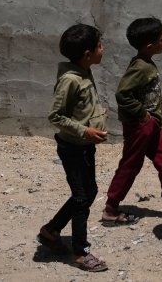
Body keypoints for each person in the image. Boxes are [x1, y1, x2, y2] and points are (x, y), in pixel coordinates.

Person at [37, 24, 111, 272]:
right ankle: (80, 252)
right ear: (88, 53)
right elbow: (55, 116)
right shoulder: (70, 79)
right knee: (82, 197)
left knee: (89, 192)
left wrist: (96, 116)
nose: (104, 49)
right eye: (100, 45)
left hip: (84, 146)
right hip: (73, 148)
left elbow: (80, 107)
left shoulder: (83, 70)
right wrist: (85, 130)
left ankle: (51, 231)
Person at [101, 17, 162, 225]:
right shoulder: (140, 67)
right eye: (161, 39)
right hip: (140, 126)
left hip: (151, 125)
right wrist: (142, 114)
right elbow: (122, 93)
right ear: (149, 46)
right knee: (131, 163)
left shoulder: (146, 63)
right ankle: (111, 208)